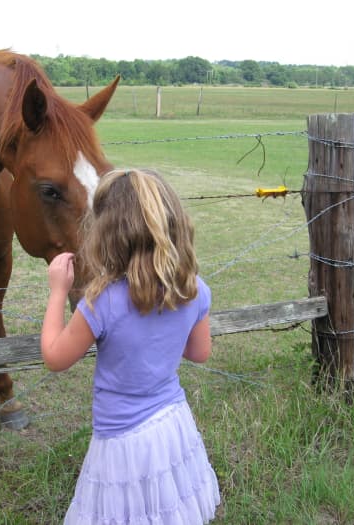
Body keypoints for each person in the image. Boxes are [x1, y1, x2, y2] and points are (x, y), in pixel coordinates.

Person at [41, 168, 220, 524]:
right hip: (172, 425)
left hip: (121, 440)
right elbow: (199, 352)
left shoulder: (102, 302)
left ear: (106, 233)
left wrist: (58, 291)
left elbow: (54, 357)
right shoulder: (194, 288)